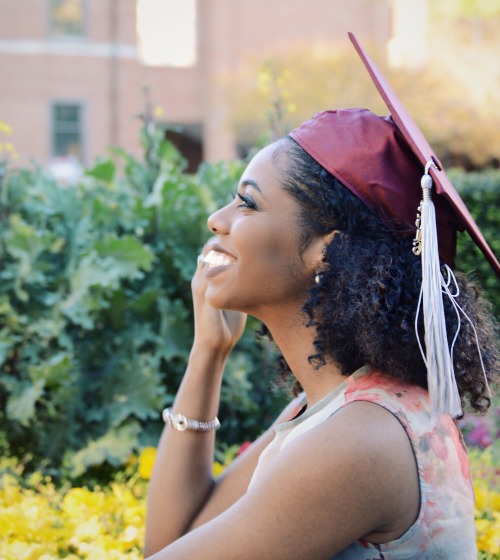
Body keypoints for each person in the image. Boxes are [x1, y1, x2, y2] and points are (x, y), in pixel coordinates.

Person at [144, 35, 499, 559]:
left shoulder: (360, 441)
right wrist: (208, 354)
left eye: (247, 203)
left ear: (325, 251)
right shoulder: (329, 412)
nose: (216, 220)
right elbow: (173, 540)